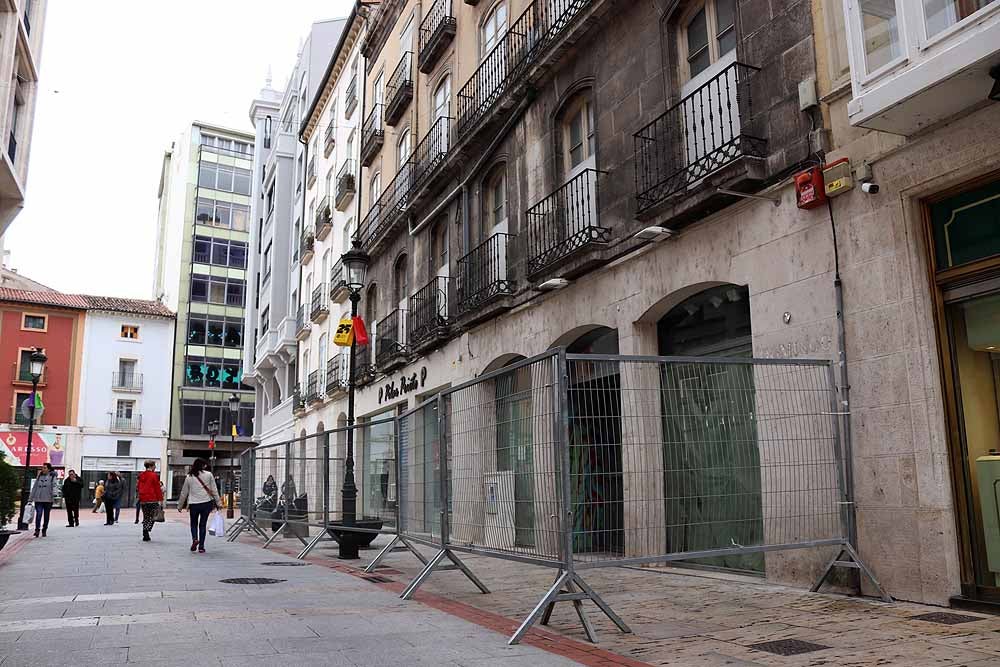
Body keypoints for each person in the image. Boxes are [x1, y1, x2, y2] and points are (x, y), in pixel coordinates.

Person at [177, 458, 222, 553]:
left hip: (194, 504)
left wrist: (180, 505)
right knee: (203, 524)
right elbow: (214, 490)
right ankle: (201, 546)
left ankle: (194, 539)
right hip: (206, 503)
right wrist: (218, 503)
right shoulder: (209, 475)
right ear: (202, 466)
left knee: (193, 523)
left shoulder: (189, 476)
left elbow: (184, 492)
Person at [28, 463, 57, 537]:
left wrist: (54, 494)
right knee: (39, 514)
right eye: (42, 468)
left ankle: (44, 530)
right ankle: (37, 530)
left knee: (46, 516)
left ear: (49, 469)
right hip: (38, 499)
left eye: (44, 468)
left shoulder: (52, 476)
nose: (43, 469)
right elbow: (34, 487)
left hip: (48, 499)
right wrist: (30, 499)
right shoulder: (39, 476)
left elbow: (54, 486)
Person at [137, 460, 163, 542]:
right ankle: (147, 530)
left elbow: (138, 486)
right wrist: (160, 499)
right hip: (152, 498)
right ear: (151, 466)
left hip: (143, 499)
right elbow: (157, 488)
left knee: (146, 516)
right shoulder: (154, 475)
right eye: (154, 465)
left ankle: (145, 532)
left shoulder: (141, 475)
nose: (155, 467)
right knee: (153, 516)